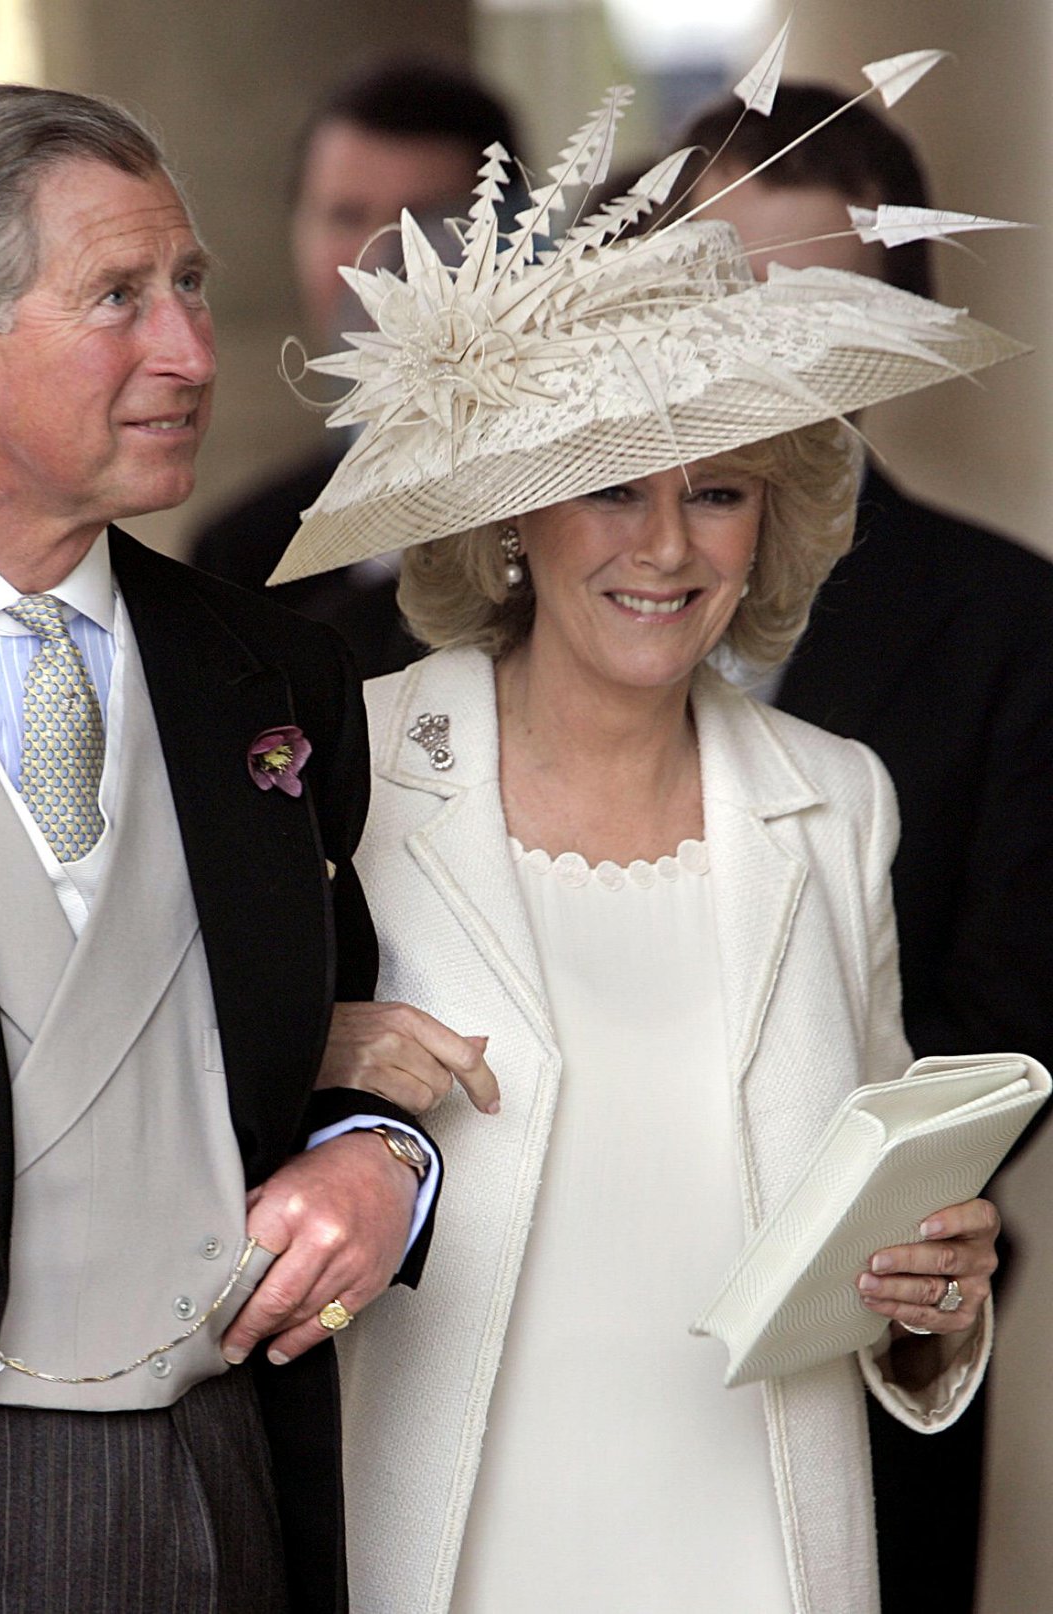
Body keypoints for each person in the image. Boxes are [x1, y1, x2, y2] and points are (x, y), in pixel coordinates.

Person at [267, 70, 1022, 1613]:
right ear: (513, 519)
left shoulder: (840, 800)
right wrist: (310, 1040)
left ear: (773, 524)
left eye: (721, 493)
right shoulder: (356, 764)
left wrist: (935, 1302)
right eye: (608, 485)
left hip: (757, 1532)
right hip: (450, 1532)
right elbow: (186, 1110)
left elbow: (879, 1215)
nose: (665, 545)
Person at [0, 83, 458, 1613]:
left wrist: (386, 1163)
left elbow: (349, 1046)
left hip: (226, 1473)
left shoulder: (285, 674)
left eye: (187, 286)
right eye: (119, 297)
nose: (190, 350)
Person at [678, 81, 1053, 1612]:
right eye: (715, 292)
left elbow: (1007, 1022)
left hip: (859, 1308)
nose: (753, 349)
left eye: (811, 309)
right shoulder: (501, 617)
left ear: (893, 343)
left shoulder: (1009, 627)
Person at [190, 57, 520, 677]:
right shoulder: (240, 556)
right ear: (296, 233)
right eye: (345, 216)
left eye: (425, 223)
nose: (380, 260)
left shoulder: (581, 519)